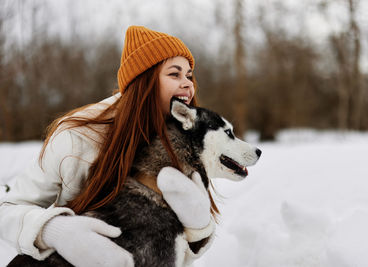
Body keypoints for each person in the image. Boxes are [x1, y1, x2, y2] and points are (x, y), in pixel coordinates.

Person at [0, 26, 215, 267]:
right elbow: (8, 208)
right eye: (175, 74)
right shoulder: (77, 135)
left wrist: (198, 230)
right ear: (144, 81)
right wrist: (57, 231)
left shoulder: (186, 142)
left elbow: (176, 248)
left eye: (189, 75)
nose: (188, 84)